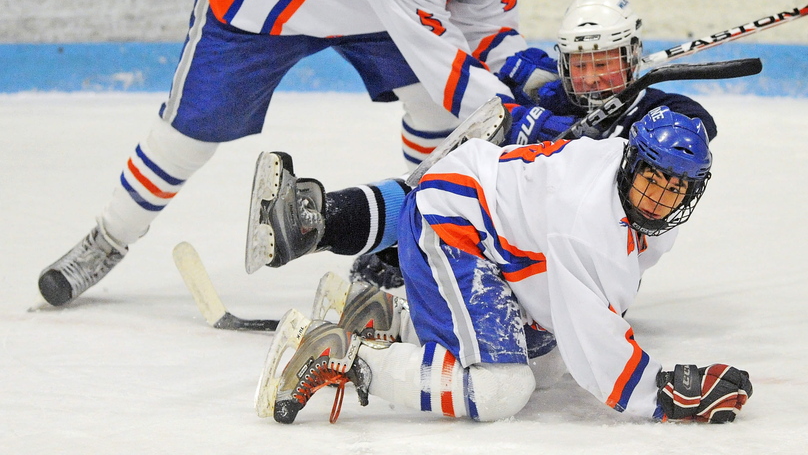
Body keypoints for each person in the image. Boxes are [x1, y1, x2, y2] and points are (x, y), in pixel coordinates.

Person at [38, 0, 563, 307]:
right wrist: (531, 121)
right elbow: (454, 79)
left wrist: (534, 79)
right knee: (189, 135)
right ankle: (107, 238)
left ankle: (412, 234)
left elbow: (485, 25)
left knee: (429, 109)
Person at [255, 107, 753, 424]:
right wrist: (659, 392)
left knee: (549, 365)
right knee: (500, 389)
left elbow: (584, 316)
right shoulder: (587, 220)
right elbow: (594, 330)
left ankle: (384, 314)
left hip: (491, 232)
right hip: (454, 221)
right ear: (632, 162)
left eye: (676, 188)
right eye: (653, 178)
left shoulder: (624, 187)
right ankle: (342, 355)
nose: (659, 199)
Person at [349, 0, 718, 289]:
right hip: (527, 239)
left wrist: (583, 139)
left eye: (602, 63)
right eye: (579, 64)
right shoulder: (556, 96)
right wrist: (530, 98)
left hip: (593, 262)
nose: (589, 78)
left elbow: (697, 127)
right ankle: (410, 231)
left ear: (631, 55)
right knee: (489, 133)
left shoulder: (661, 109)